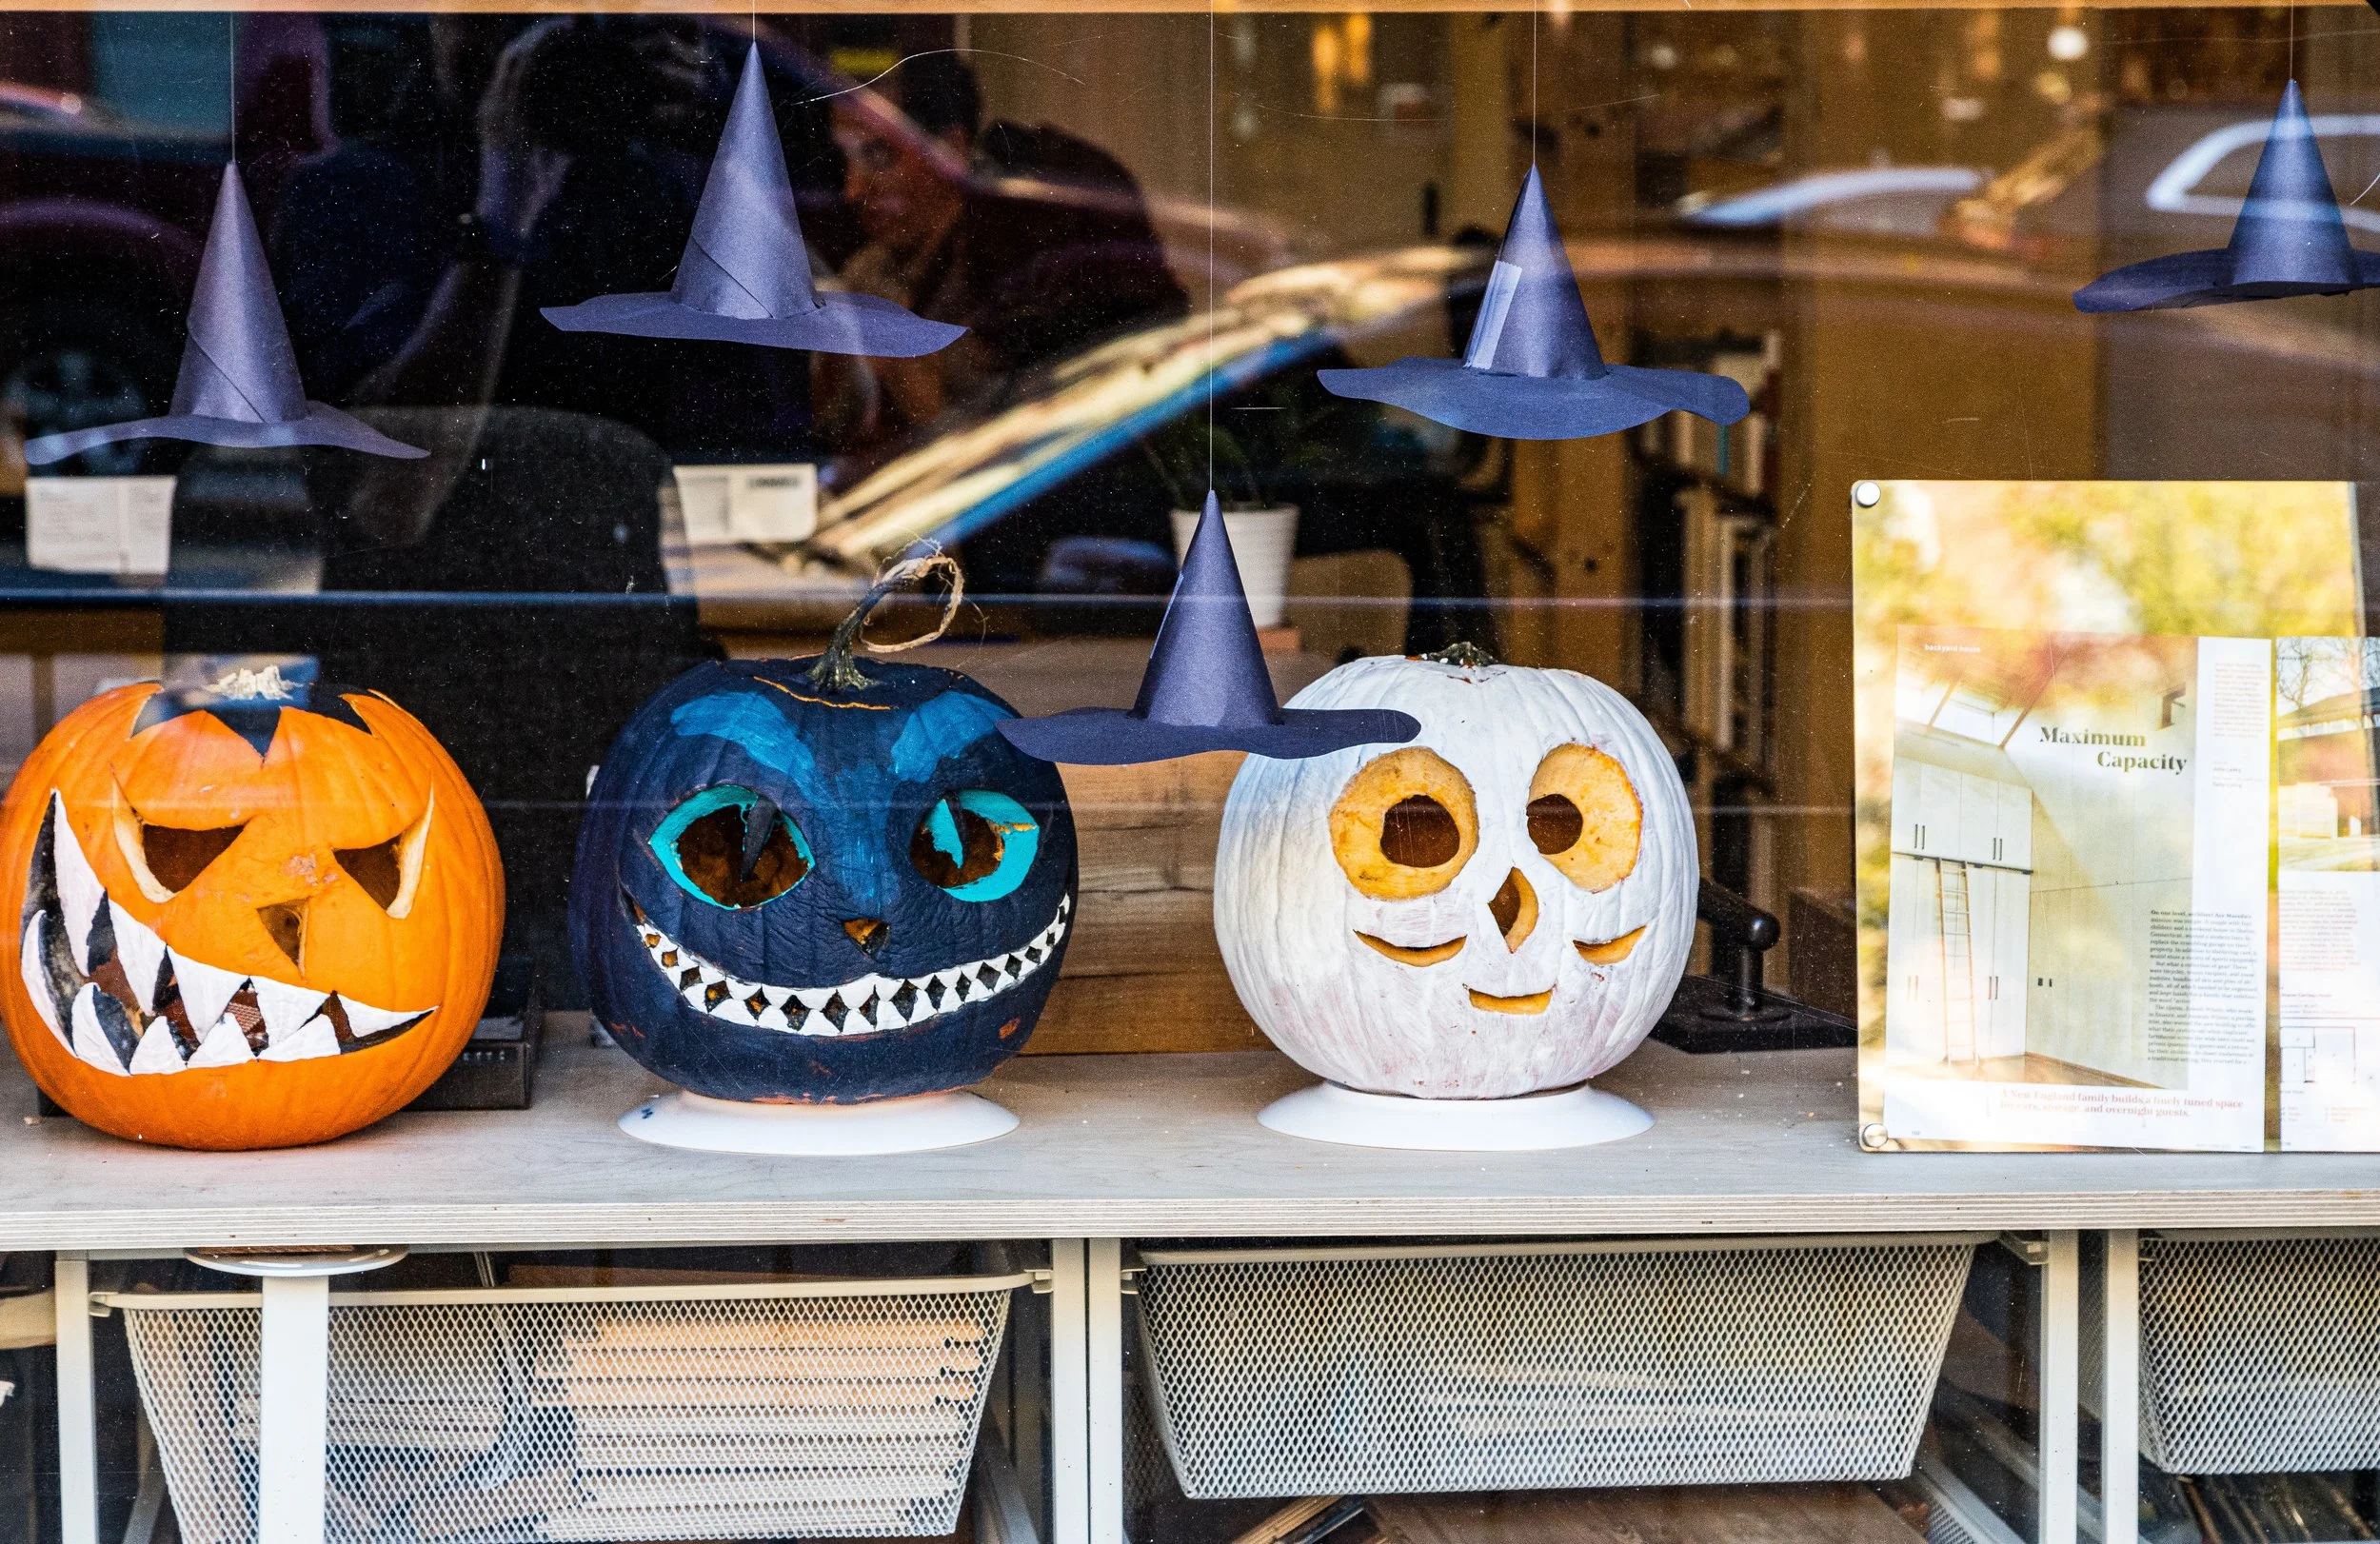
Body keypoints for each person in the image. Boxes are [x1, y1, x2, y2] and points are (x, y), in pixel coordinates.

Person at [815, 53, 1189, 459]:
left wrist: (896, 357)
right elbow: (825, 434)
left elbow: (1008, 458)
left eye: (878, 156)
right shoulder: (866, 272)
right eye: (844, 159)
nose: (853, 189)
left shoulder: (1009, 252)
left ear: (951, 149)